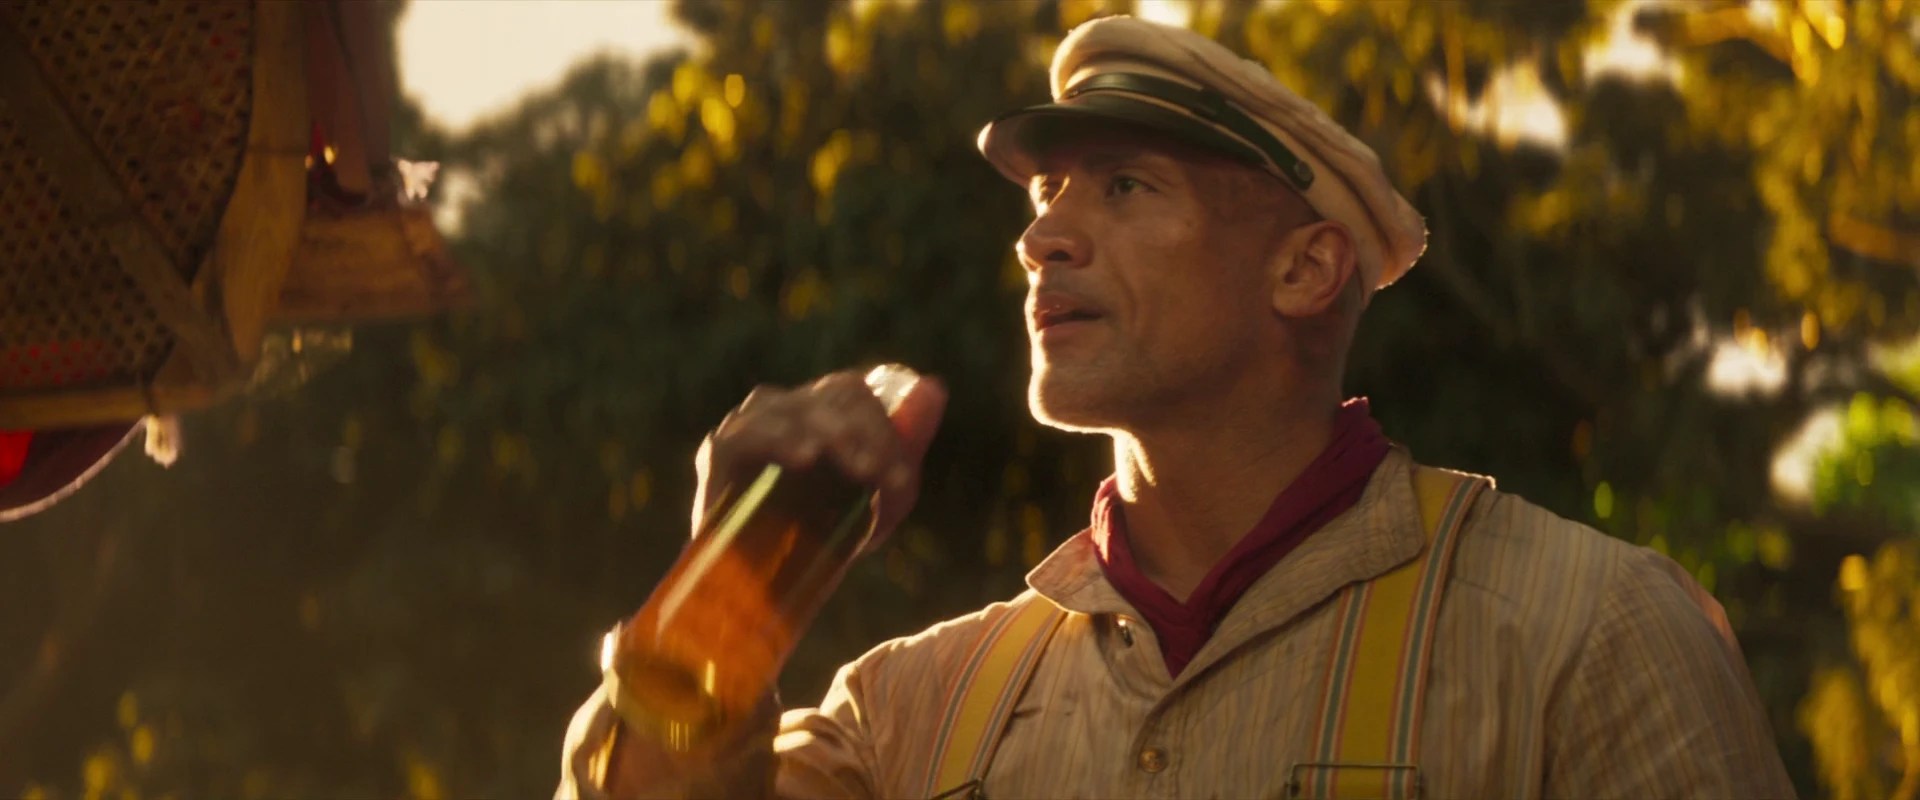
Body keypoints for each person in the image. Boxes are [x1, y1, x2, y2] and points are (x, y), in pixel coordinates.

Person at [558, 15, 1795, 800]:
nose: (1043, 236)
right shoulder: (912, 709)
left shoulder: (1586, 634)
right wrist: (724, 593)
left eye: (1125, 186)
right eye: (1045, 195)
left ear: (1306, 267)